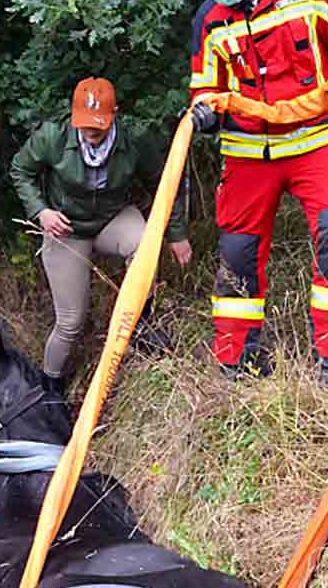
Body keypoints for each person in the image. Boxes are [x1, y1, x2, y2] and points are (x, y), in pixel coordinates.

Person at [188, 0, 328, 385]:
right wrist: (207, 111)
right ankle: (237, 360)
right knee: (238, 253)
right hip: (249, 155)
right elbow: (206, 86)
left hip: (317, 144)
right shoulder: (209, 21)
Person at [10, 77, 192, 397]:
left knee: (143, 242)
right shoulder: (52, 137)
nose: (92, 132)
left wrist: (177, 234)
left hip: (112, 218)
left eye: (99, 125)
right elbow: (20, 170)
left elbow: (164, 181)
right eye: (85, 124)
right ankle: (49, 387)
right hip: (67, 228)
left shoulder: (134, 138)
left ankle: (140, 325)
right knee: (70, 322)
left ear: (115, 114)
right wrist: (42, 212)